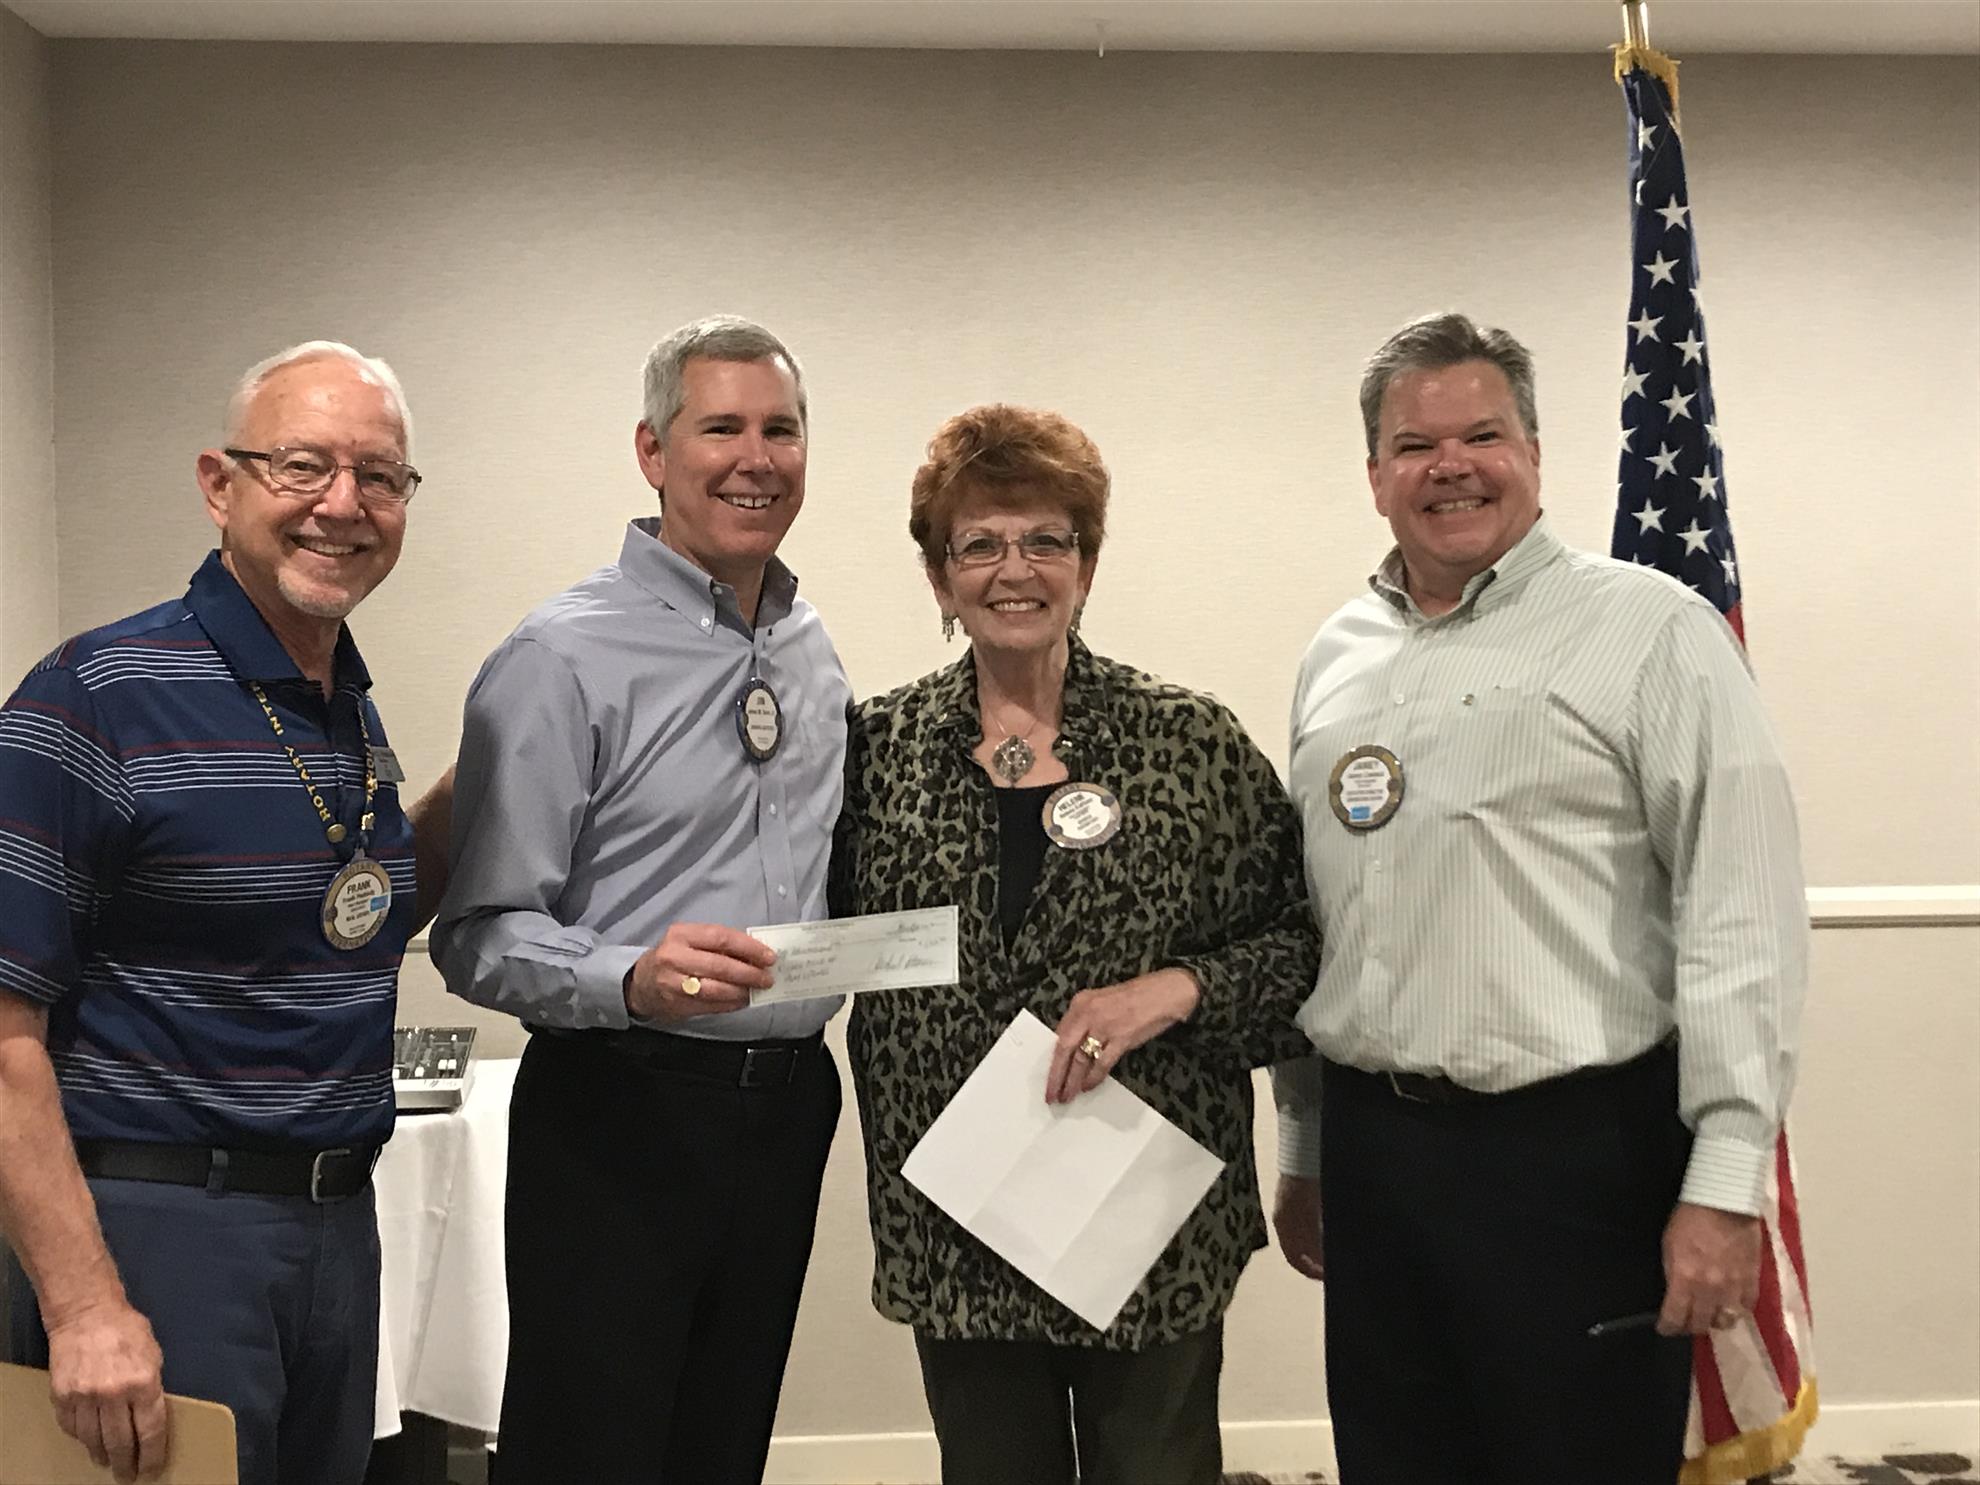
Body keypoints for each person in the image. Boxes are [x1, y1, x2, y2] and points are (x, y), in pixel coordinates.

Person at [1271, 312, 1807, 1485]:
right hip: (1377, 1155)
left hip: (1574, 1162)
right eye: (1415, 445)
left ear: (1534, 454)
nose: (1450, 466)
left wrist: (1725, 1185)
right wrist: (1306, 1146)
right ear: (1374, 475)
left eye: (1482, 436)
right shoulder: (1336, 654)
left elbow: (1743, 922)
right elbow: (1320, 923)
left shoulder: (1654, 633)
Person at [830, 404, 1318, 1485]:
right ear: (939, 576)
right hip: (958, 1224)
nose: (1015, 569)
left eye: (1046, 539)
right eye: (980, 544)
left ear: (1086, 565)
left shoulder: (1189, 741)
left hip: (1145, 1224)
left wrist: (1176, 988)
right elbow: (819, 933)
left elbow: (1300, 954)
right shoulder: (873, 752)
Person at [429, 315, 849, 1484]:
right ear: (652, 451)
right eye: (721, 428)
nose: (756, 459)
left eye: (782, 430)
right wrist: (630, 978)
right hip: (620, 1107)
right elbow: (473, 935)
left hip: (787, 1108)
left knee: (723, 1445)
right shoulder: (558, 658)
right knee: (589, 1451)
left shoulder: (811, 646)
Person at [0, 342, 426, 1485]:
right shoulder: (93, 696)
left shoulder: (344, 709)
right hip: (163, 1232)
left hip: (335, 1228)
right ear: (218, 484)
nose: (343, 503)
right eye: (303, 465)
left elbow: (334, 910)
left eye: (379, 476)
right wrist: (83, 1306)